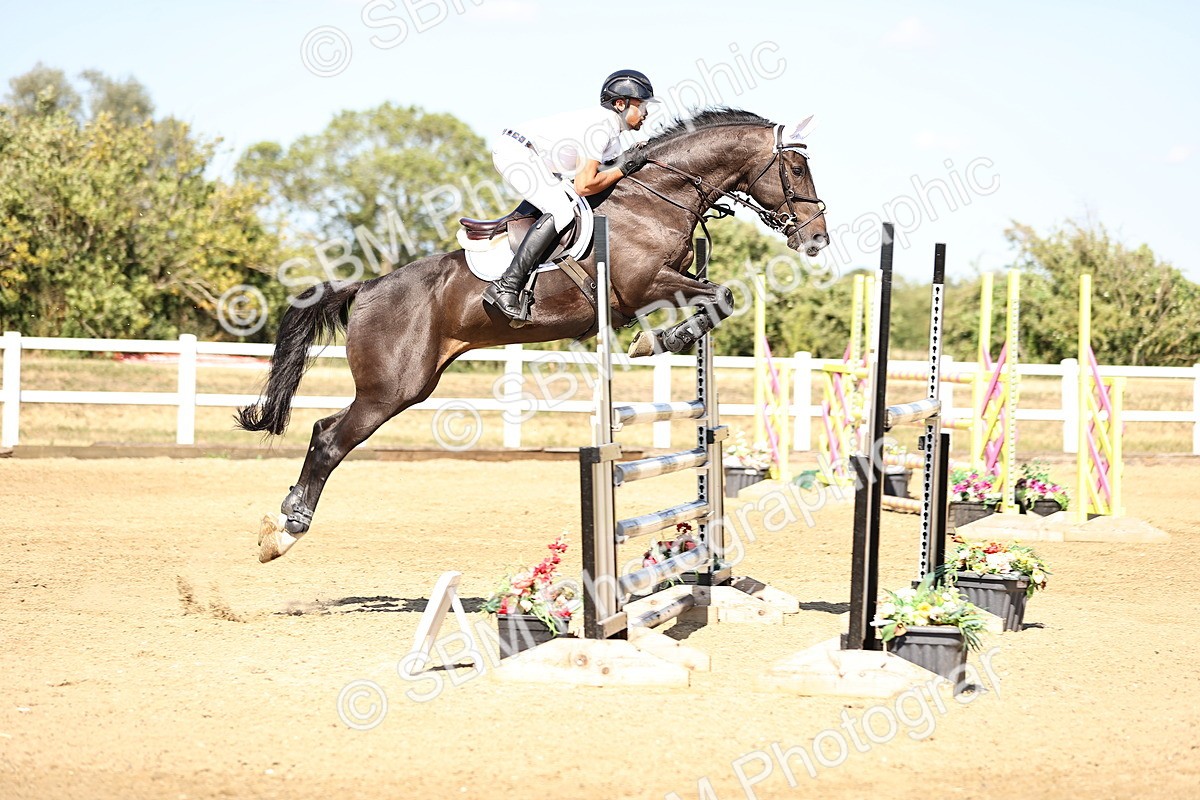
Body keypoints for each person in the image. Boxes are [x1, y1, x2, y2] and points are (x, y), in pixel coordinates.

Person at [482, 69, 655, 325]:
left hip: (537, 160)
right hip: (516, 153)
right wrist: (623, 168)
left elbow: (612, 174)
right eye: (642, 106)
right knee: (562, 211)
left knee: (562, 201)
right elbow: (585, 185)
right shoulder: (600, 125)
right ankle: (507, 286)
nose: (646, 113)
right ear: (620, 104)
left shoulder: (613, 133)